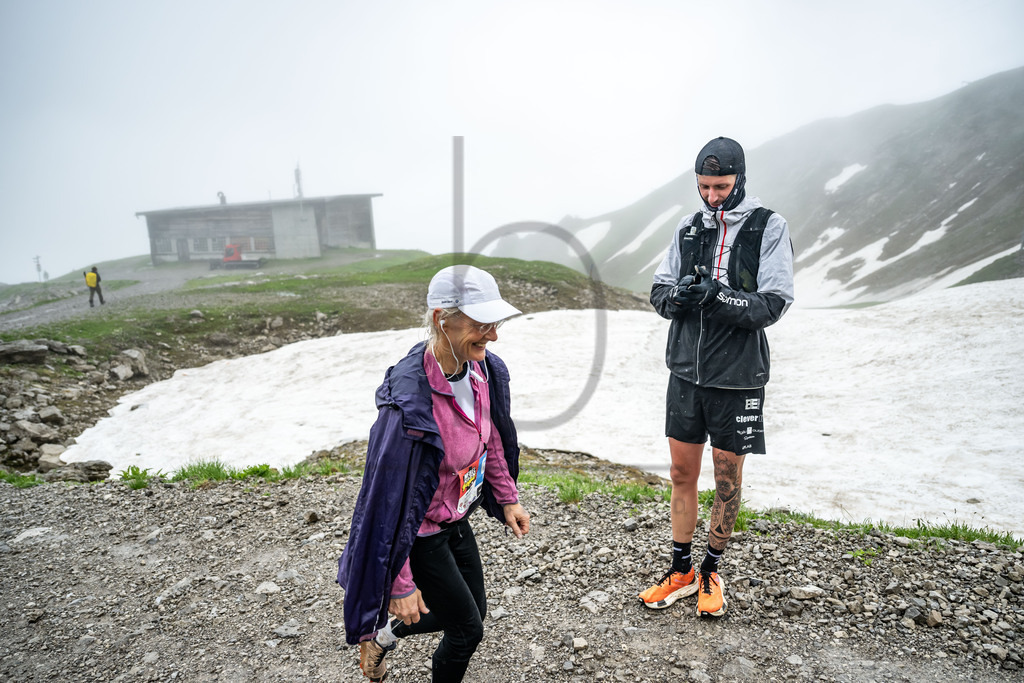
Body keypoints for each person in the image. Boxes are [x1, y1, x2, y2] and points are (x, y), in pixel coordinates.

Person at [337, 264, 531, 682]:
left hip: (455, 516)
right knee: (467, 629)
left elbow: (491, 438)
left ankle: (382, 633)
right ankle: (382, 624)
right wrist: (399, 584)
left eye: (494, 324)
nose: (493, 335)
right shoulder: (408, 404)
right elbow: (384, 504)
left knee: (471, 612)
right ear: (442, 319)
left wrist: (507, 496)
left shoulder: (481, 369)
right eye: (482, 324)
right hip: (421, 534)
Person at [641, 137, 794, 618]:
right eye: (704, 186)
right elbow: (659, 289)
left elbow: (773, 303)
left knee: (726, 480)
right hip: (685, 372)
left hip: (739, 377)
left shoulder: (769, 225)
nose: (712, 196)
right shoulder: (688, 228)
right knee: (682, 473)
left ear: (740, 179)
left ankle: (711, 569)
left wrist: (717, 296)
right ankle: (681, 568)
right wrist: (678, 300)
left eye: (722, 186)